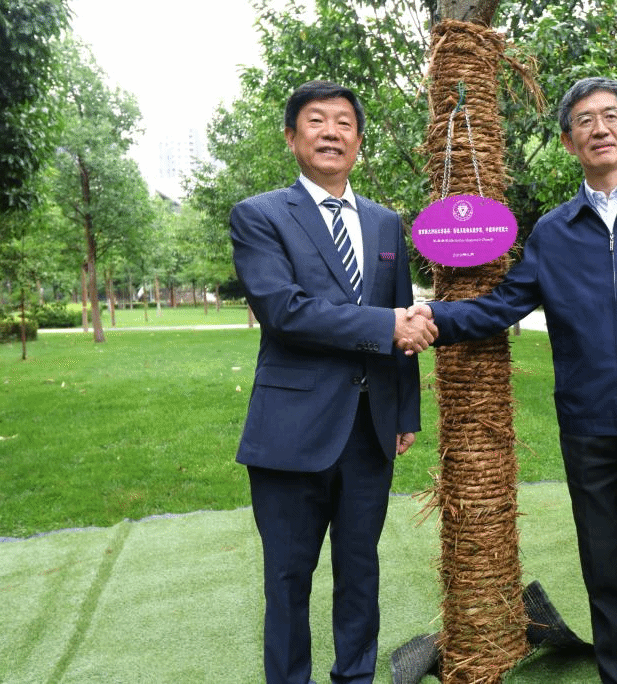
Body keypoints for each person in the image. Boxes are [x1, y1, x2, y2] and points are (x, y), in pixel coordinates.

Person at [407, 77, 617, 684]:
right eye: (584, 120)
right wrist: (433, 317)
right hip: (587, 424)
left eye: (610, 116)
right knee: (603, 566)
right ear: (567, 140)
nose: (599, 128)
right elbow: (504, 303)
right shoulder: (554, 230)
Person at [229, 80, 437, 684]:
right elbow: (284, 310)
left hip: (370, 432)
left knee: (360, 571)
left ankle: (356, 676)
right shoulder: (259, 215)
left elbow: (400, 316)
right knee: (288, 578)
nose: (331, 133)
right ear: (292, 137)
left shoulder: (386, 223)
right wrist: (388, 324)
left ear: (359, 140)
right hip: (291, 433)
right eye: (316, 121)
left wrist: (404, 412)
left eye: (344, 123)